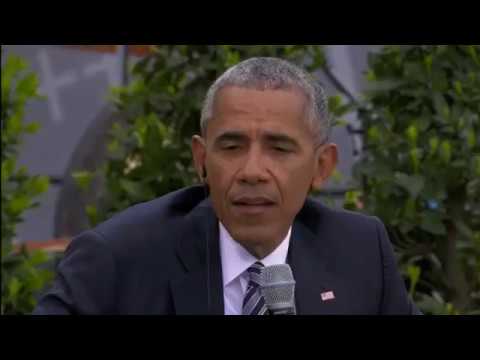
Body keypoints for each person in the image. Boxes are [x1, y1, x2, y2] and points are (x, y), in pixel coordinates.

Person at [33, 57, 420, 315]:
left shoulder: (361, 252)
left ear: (322, 167)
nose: (252, 171)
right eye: (232, 147)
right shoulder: (117, 260)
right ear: (202, 160)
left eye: (279, 148)